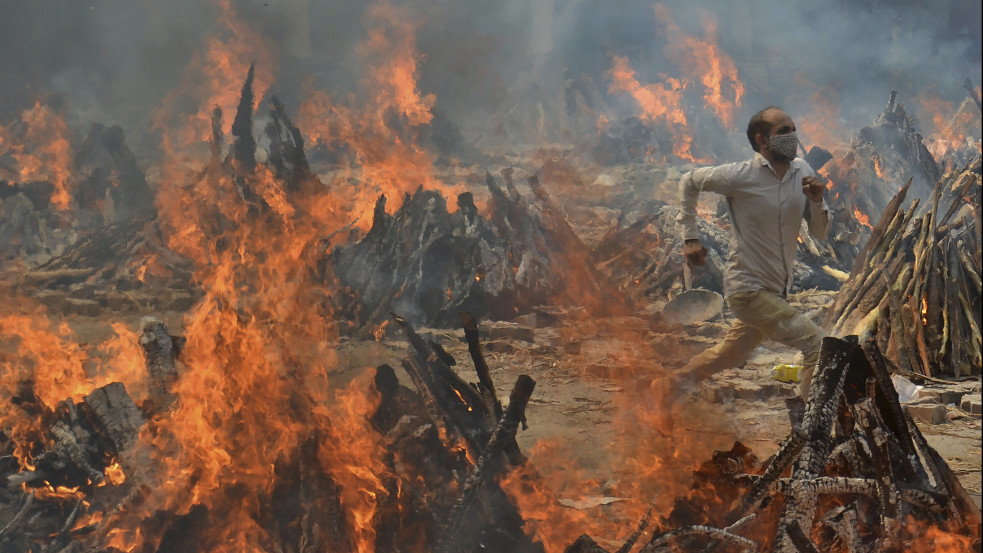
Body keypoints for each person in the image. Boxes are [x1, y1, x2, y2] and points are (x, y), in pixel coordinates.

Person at [651, 106, 831, 432]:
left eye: (792, 129)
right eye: (783, 132)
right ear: (762, 141)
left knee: (730, 355)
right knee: (817, 344)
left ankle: (670, 386)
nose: (792, 137)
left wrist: (817, 203)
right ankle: (810, 430)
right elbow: (689, 181)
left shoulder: (802, 170)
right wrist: (690, 237)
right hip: (746, 289)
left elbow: (819, 233)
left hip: (774, 290)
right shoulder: (741, 175)